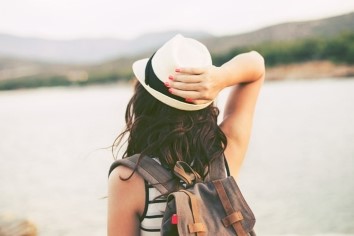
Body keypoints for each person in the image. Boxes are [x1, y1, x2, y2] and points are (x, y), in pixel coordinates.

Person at [107, 34, 265, 236]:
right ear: (206, 99)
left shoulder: (127, 179)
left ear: (143, 101)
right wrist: (222, 77)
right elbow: (256, 64)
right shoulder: (226, 153)